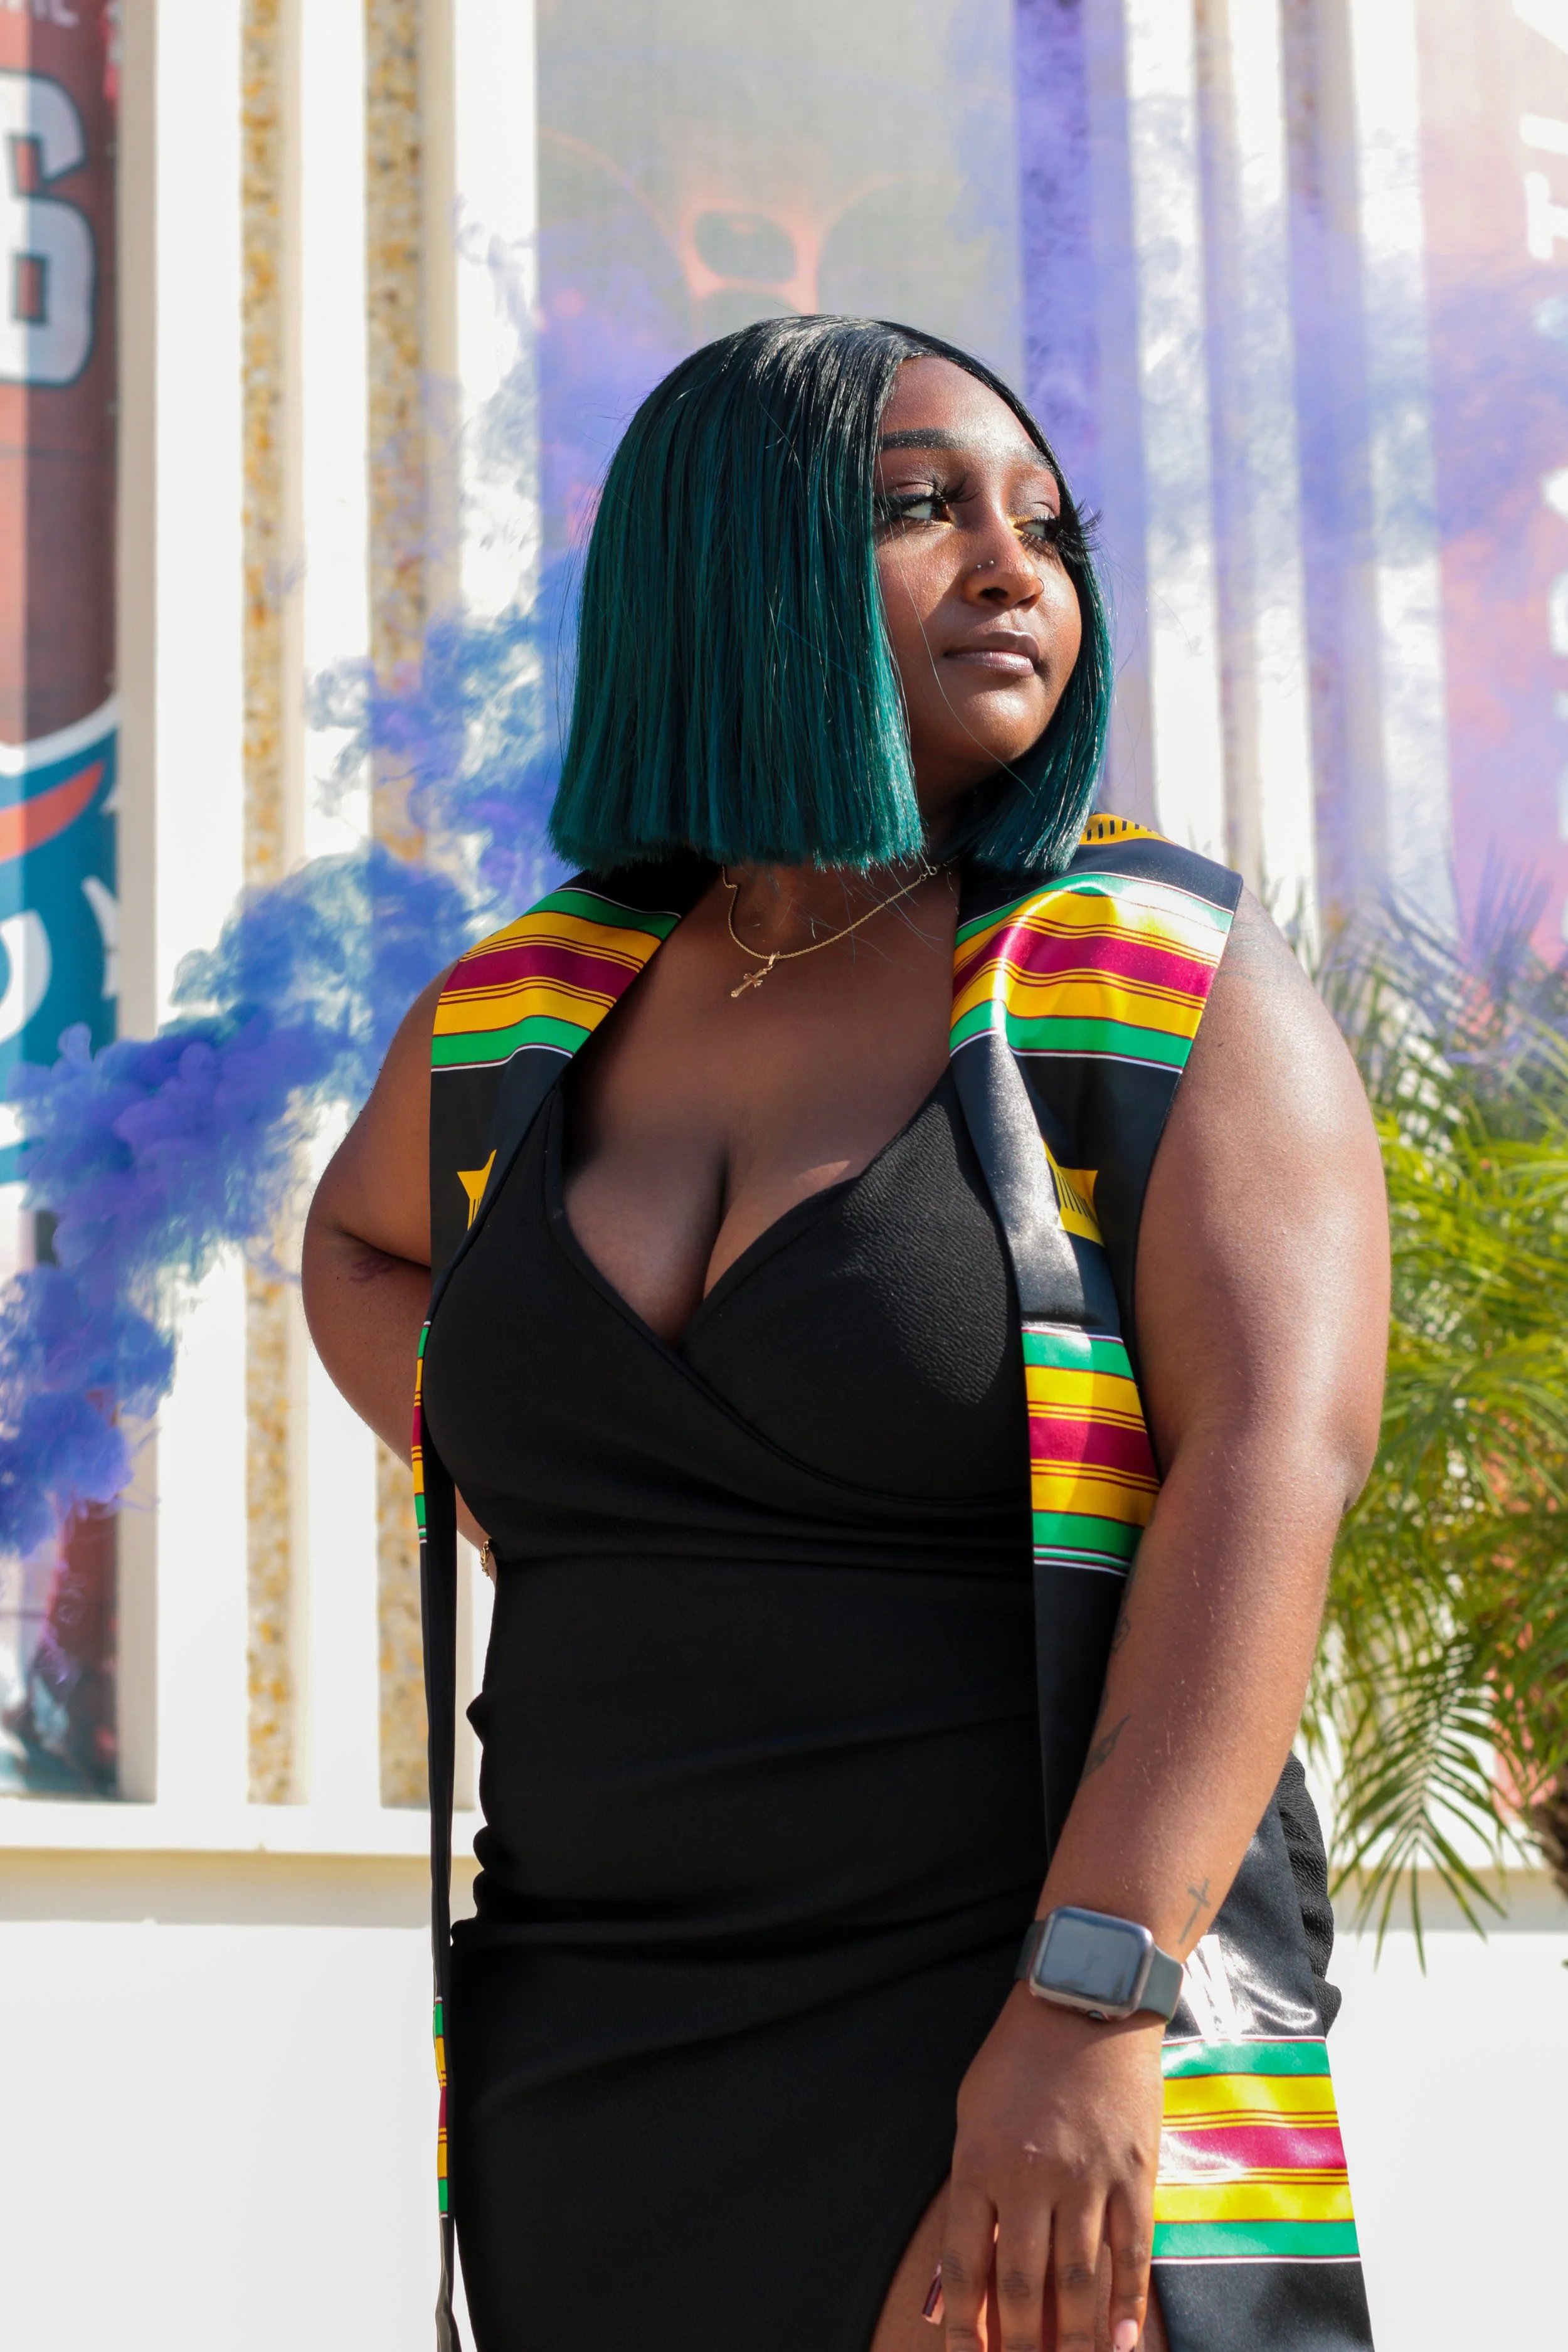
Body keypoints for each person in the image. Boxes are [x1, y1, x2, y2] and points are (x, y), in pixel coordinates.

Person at [301, 317, 1389, 2352]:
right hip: (590, 2031)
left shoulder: (1152, 981)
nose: (1011, 566)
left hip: (999, 2013)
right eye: (920, 507)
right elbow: (359, 1248)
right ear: (725, 560)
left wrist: (1091, 1999)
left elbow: (1271, 1473)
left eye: (1042, 526)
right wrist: (579, 1501)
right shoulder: (526, 1011)